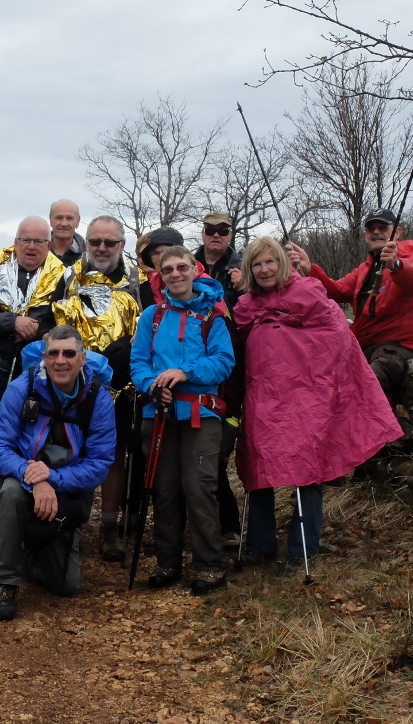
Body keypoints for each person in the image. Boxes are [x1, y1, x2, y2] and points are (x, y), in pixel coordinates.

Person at [227, 238, 402, 569]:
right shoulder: (247, 307)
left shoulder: (309, 295)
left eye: (270, 262)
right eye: (256, 264)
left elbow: (335, 341)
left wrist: (315, 385)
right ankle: (260, 544)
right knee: (257, 469)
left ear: (282, 262)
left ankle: (301, 549)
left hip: (305, 401)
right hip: (262, 400)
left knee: (308, 471)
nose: (264, 269)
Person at [0, 326, 115, 621]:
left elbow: (100, 463)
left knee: (65, 585)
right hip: (21, 479)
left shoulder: (98, 399)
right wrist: (34, 476)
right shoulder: (21, 388)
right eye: (53, 353)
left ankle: (28, 547)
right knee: (11, 493)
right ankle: (5, 581)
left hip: (67, 489)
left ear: (82, 359)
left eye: (69, 353)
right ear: (44, 357)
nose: (60, 361)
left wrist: (53, 479)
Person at [130, 245, 235, 595]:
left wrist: (183, 372)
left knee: (199, 487)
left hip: (201, 415)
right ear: (161, 275)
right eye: (168, 269)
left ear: (194, 271)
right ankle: (167, 561)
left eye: (181, 268)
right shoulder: (151, 316)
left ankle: (209, 564)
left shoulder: (212, 317)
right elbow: (138, 363)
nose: (175, 274)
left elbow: (223, 362)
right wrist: (152, 385)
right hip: (157, 412)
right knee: (164, 489)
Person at [51, 215, 140, 562]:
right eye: (95, 242)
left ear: (121, 245)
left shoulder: (136, 280)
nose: (102, 248)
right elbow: (51, 324)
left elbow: (149, 326)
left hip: (120, 385)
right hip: (71, 380)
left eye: (110, 242)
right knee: (67, 450)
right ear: (85, 242)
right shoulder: (67, 276)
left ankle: (109, 529)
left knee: (113, 456)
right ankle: (66, 523)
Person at [285, 207, 413, 394]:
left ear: (397, 232)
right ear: (365, 235)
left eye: (383, 227)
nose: (377, 232)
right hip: (371, 343)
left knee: (364, 386)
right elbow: (336, 291)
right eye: (371, 229)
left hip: (409, 345)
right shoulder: (366, 268)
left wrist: (396, 265)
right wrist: (309, 268)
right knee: (323, 370)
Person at [0, 216, 67, 395]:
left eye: (38, 241)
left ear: (48, 245)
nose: (31, 246)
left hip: (39, 376)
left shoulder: (64, 277)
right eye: (25, 240)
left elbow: (66, 323)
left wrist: (36, 328)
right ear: (15, 242)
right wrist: (11, 322)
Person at [194, 211, 243, 309]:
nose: (216, 235)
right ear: (202, 233)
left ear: (230, 235)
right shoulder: (187, 267)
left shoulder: (244, 267)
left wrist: (244, 287)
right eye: (210, 230)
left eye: (223, 231)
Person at [49, 199, 85, 267]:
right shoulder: (37, 254)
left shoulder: (89, 258)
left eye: (69, 218)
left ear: (78, 221)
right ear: (50, 220)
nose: (64, 224)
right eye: (59, 218)